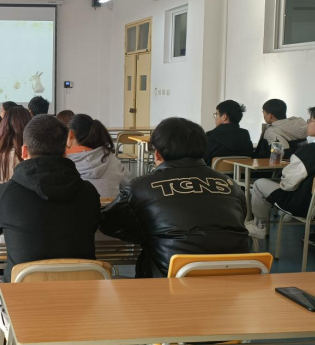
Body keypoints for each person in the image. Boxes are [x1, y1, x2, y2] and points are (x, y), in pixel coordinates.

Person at [0, 115, 101, 345]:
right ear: (65, 150)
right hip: (84, 309)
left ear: (24, 151)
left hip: (26, 314)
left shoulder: (5, 194)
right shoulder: (89, 193)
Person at [101, 117, 250, 278]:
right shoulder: (231, 185)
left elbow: (110, 224)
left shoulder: (140, 187)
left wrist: (154, 232)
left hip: (169, 283)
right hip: (234, 281)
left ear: (157, 153)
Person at [247, 105, 315, 240]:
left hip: (307, 207)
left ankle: (259, 226)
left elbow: (287, 185)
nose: (307, 123)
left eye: (310, 120)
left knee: (259, 184)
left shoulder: (308, 152)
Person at [66, 114, 131, 198]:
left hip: (80, 206)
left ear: (70, 134)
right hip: (111, 206)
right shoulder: (110, 158)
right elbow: (129, 184)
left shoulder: (65, 161)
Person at [204, 100, 254, 166]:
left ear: (224, 117)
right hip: (242, 172)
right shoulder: (245, 135)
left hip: (214, 172)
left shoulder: (210, 136)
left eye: (216, 114)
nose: (215, 118)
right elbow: (250, 156)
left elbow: (203, 161)